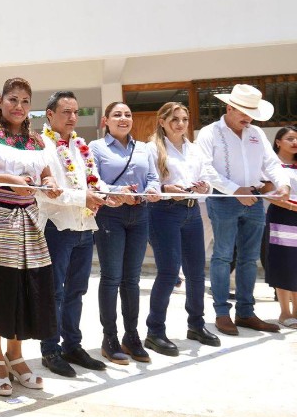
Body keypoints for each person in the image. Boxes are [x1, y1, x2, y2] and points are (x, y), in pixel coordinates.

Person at [0, 78, 60, 397]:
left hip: (28, 220)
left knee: (24, 286)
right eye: (13, 99)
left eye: (24, 101)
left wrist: (50, 185)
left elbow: (45, 175)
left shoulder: (36, 141)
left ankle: (15, 355)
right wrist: (6, 179)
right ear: (0, 101)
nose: (19, 106)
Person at [196, 84, 290, 336]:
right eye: (244, 112)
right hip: (223, 198)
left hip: (254, 198)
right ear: (229, 107)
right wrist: (235, 190)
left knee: (249, 258)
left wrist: (283, 184)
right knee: (223, 255)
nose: (248, 118)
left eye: (252, 113)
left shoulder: (256, 133)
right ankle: (222, 313)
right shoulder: (209, 132)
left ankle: (246, 313)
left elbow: (272, 163)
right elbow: (204, 169)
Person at [36, 91, 114, 377]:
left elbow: (93, 181)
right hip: (57, 228)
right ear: (50, 114)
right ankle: (50, 350)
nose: (72, 117)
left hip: (84, 227)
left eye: (75, 112)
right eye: (66, 112)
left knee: (77, 291)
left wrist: (111, 193)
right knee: (54, 292)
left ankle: (72, 345)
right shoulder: (40, 145)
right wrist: (84, 198)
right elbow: (43, 192)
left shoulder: (81, 146)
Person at [144, 103, 220, 357]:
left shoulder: (194, 149)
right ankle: (155, 331)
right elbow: (148, 183)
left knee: (196, 272)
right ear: (162, 121)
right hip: (164, 212)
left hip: (192, 211)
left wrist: (204, 187)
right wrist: (166, 189)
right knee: (168, 273)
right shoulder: (152, 148)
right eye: (175, 119)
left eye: (185, 119)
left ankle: (196, 325)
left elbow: (207, 178)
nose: (180, 124)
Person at [89, 102, 160, 364]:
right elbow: (94, 180)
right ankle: (110, 338)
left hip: (140, 214)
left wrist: (151, 190)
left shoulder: (143, 148)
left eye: (127, 115)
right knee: (111, 278)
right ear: (105, 120)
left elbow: (153, 177)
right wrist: (119, 192)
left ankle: (132, 336)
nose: (123, 119)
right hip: (111, 215)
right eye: (117, 115)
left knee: (132, 279)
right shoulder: (96, 147)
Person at [264, 126, 297, 329]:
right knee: (283, 262)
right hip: (282, 216)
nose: (295, 142)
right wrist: (292, 207)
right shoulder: (272, 164)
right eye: (290, 138)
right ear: (278, 141)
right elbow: (268, 193)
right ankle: (285, 312)